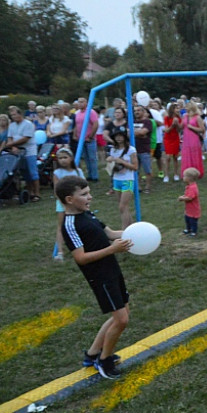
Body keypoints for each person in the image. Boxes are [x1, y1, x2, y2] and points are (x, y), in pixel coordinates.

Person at [57, 176, 132, 379]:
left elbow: (110, 233)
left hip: (112, 269)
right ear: (69, 199)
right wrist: (112, 250)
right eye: (84, 194)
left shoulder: (87, 214)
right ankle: (104, 361)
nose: (90, 197)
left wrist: (136, 233)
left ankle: (91, 355)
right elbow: (80, 258)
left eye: (89, 192)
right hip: (100, 277)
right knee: (121, 320)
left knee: (122, 313)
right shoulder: (70, 224)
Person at [52, 147, 83, 261]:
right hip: (62, 203)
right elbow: (56, 190)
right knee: (61, 226)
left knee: (80, 224)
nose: (63, 160)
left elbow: (83, 187)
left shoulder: (78, 172)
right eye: (60, 158)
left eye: (65, 157)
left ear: (71, 158)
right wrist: (64, 204)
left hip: (77, 202)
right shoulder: (57, 173)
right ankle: (60, 252)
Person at [5, 106, 41, 201]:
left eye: (15, 114)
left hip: (29, 150)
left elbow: (26, 138)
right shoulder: (12, 125)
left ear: (20, 114)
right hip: (18, 151)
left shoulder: (28, 124)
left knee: (33, 172)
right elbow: (10, 137)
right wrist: (13, 146)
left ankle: (37, 193)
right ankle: (30, 191)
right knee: (24, 172)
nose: (13, 117)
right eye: (11, 115)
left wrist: (11, 144)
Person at [106, 127, 137, 228]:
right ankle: (131, 227)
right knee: (123, 207)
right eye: (116, 136)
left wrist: (122, 162)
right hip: (116, 179)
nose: (118, 138)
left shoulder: (131, 150)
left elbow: (135, 167)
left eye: (120, 136)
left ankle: (124, 230)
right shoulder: (113, 150)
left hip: (127, 180)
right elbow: (111, 165)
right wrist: (110, 160)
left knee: (122, 206)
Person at [131, 105, 154, 194]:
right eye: (135, 110)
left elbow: (144, 132)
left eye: (139, 110)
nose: (136, 112)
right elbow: (128, 133)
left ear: (143, 112)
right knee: (135, 170)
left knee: (147, 169)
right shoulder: (132, 121)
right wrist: (139, 133)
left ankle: (148, 186)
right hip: (134, 150)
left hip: (144, 149)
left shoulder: (147, 122)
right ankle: (138, 186)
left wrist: (135, 132)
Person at [179, 102, 204, 177]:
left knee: (194, 155)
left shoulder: (197, 117)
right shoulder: (185, 116)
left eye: (187, 107)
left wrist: (192, 127)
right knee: (186, 155)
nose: (185, 108)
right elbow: (181, 127)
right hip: (186, 139)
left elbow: (202, 129)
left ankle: (196, 172)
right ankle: (187, 173)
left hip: (194, 138)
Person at [161, 103, 182, 183]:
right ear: (172, 109)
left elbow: (179, 130)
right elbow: (166, 130)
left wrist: (177, 125)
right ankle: (166, 175)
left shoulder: (179, 118)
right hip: (168, 139)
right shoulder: (167, 118)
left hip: (175, 139)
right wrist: (172, 125)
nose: (178, 110)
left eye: (178, 108)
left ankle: (176, 174)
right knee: (167, 157)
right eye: (176, 108)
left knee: (175, 157)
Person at [178, 167, 202, 236]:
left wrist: (182, 198)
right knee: (187, 219)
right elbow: (187, 195)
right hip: (189, 209)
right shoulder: (190, 186)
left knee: (193, 221)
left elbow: (190, 198)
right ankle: (188, 229)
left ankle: (194, 231)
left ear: (189, 178)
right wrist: (183, 196)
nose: (183, 177)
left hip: (193, 209)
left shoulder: (193, 187)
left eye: (184, 176)